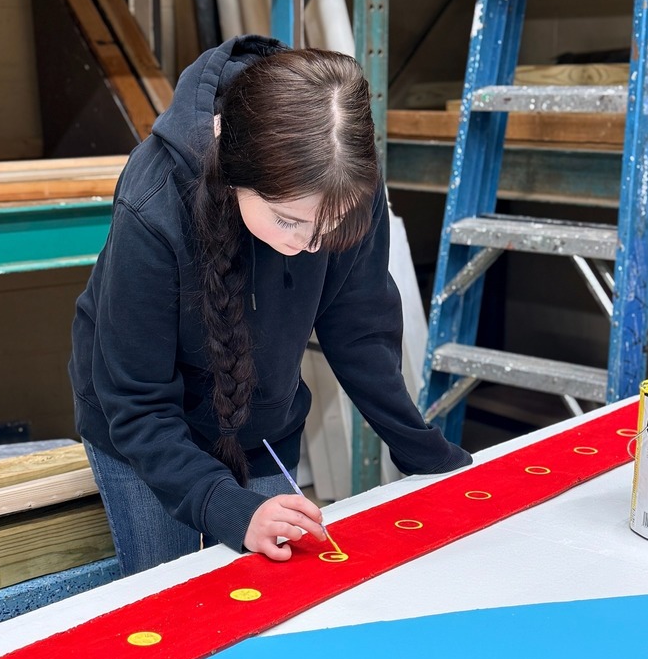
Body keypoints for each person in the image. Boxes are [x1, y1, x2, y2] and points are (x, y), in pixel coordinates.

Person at [69, 35, 471, 576]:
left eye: (328, 229)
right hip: (143, 429)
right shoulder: (154, 204)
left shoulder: (344, 185)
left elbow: (358, 330)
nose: (310, 245)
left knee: (272, 585)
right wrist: (227, 507)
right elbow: (136, 402)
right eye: (288, 220)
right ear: (234, 172)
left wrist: (424, 452)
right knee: (167, 599)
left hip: (261, 419)